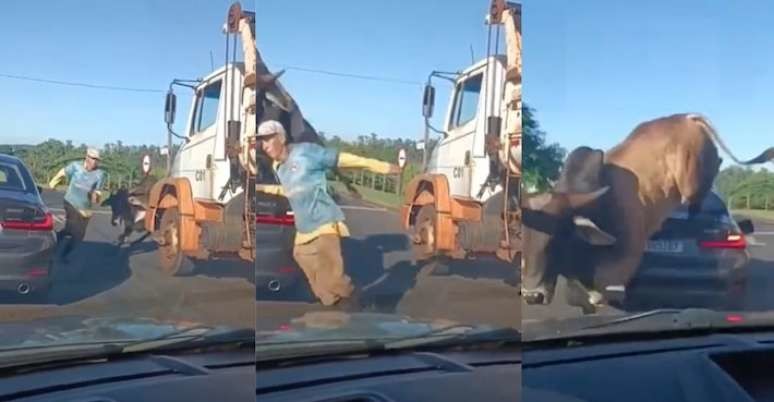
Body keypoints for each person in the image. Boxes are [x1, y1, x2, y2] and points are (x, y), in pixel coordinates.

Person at [257, 120, 400, 309]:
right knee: (306, 264)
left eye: (268, 140)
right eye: (262, 141)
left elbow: (344, 159)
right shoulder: (278, 167)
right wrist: (262, 188)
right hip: (304, 230)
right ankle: (336, 303)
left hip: (324, 223)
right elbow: (290, 191)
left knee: (334, 279)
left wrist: (384, 167)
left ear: (281, 138)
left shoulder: (307, 152)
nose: (265, 146)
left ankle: (357, 300)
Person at [48, 148, 106, 263]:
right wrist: (53, 183)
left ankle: (62, 252)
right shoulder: (75, 166)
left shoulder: (100, 175)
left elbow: (98, 192)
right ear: (87, 157)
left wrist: (96, 197)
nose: (94, 162)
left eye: (97, 160)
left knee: (77, 235)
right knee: (73, 229)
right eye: (92, 159)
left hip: (85, 208)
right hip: (70, 202)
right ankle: (53, 250)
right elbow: (63, 172)